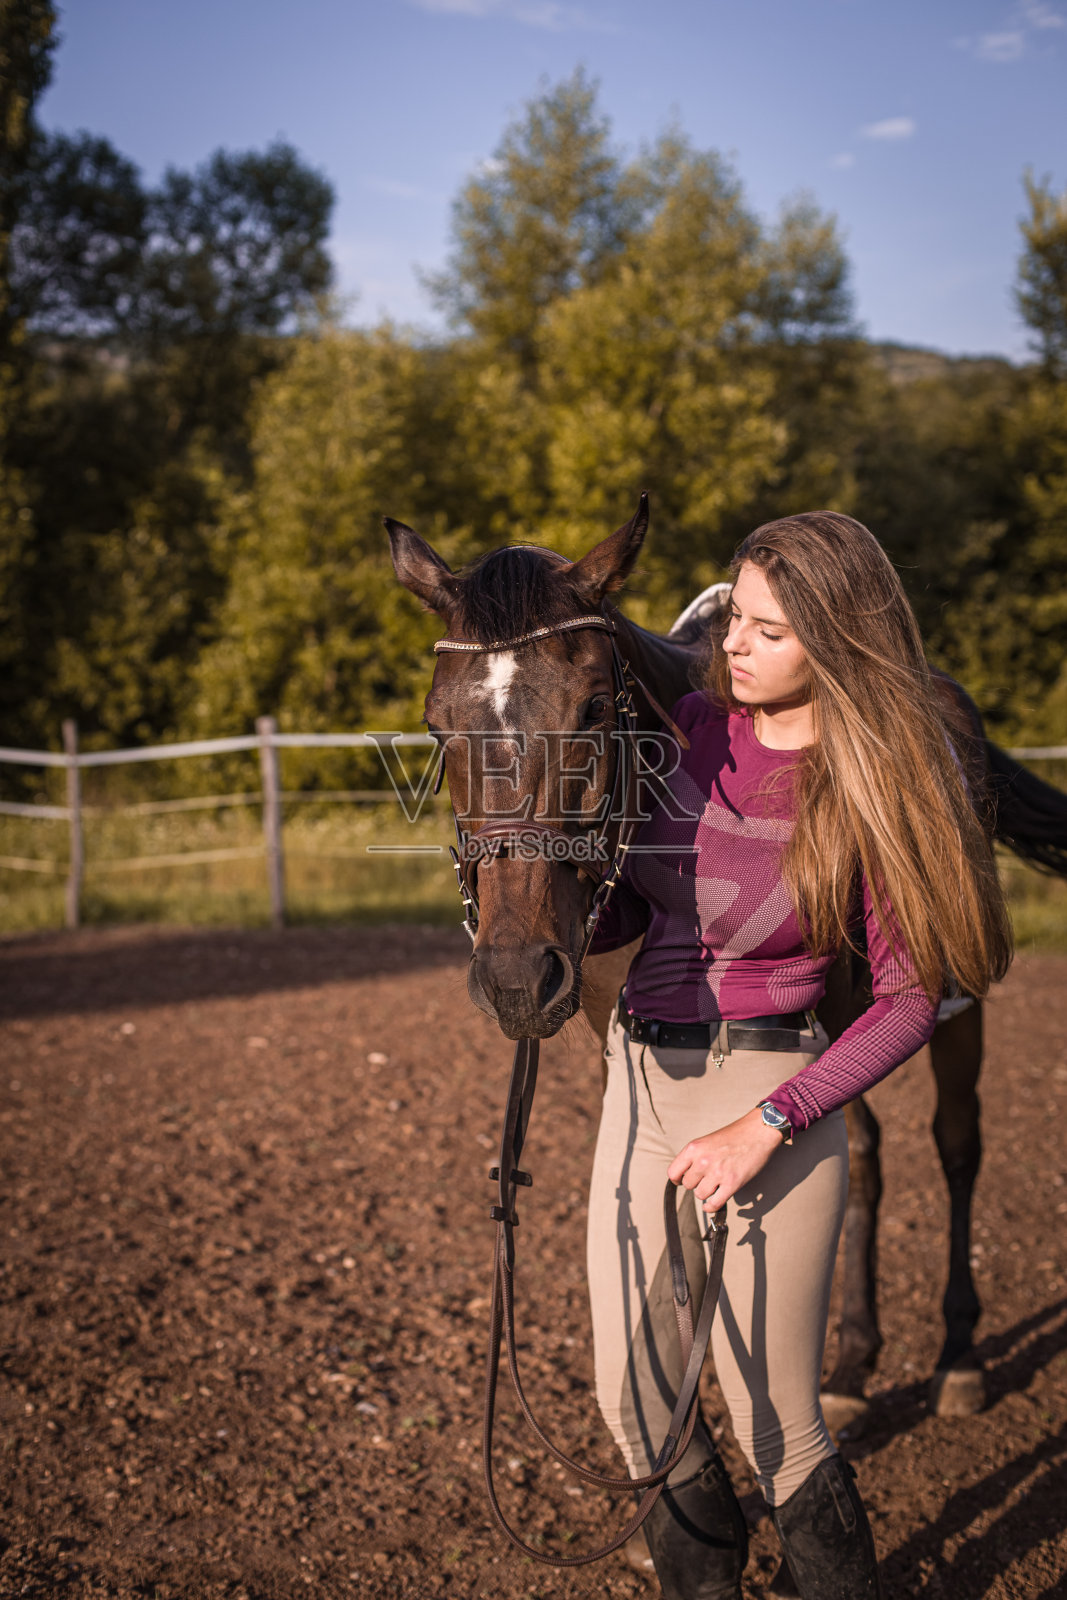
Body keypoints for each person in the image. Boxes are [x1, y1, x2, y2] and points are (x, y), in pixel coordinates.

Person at [587, 511, 1012, 1600]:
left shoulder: (874, 780)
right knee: (632, 1398)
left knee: (773, 1420)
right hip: (639, 1087)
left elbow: (909, 1001)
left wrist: (766, 1123)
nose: (731, 641)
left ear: (833, 639)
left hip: (773, 1093)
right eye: (734, 614)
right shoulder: (684, 730)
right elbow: (626, 915)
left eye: (766, 630)